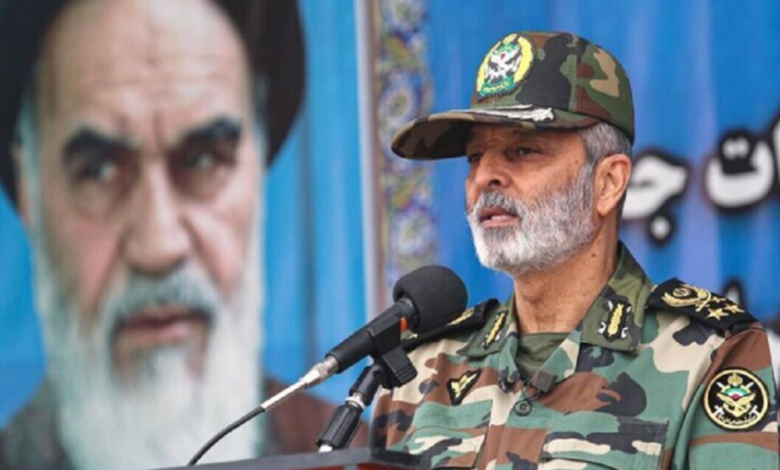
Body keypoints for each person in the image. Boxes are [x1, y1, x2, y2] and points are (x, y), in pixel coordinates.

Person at [372, 31, 779, 469]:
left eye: (523, 150)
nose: (485, 176)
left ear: (607, 183)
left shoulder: (708, 354)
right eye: (474, 157)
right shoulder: (422, 367)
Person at [0, 1, 355, 469]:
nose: (159, 246)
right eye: (100, 170)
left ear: (256, 168)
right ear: (29, 186)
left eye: (202, 159)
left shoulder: (356, 456)